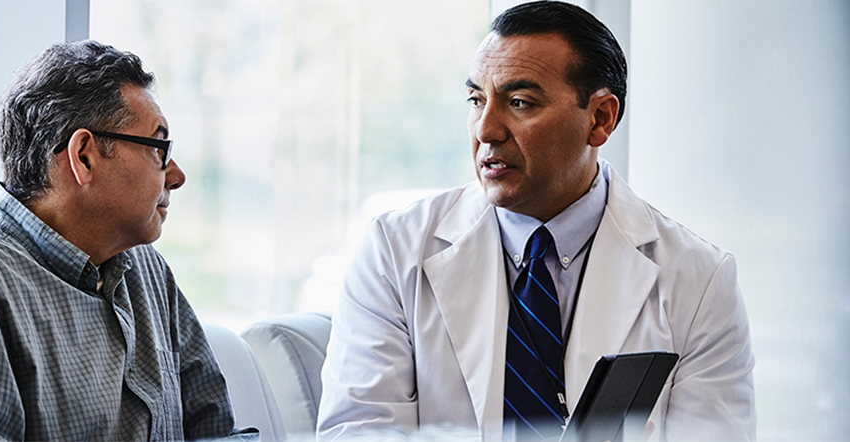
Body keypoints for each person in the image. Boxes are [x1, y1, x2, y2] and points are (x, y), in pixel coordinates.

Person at [317, 1, 755, 441]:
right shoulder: (393, 252)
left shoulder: (699, 281)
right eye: (476, 100)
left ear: (600, 119)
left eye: (520, 102)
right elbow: (356, 431)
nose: (486, 130)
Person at [0, 40, 252, 441]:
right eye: (159, 148)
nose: (177, 175)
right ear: (84, 157)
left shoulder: (146, 268)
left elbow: (214, 432)